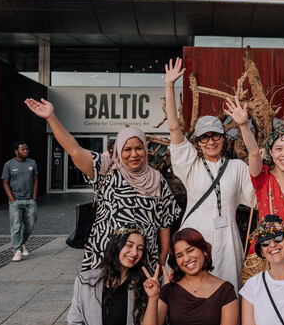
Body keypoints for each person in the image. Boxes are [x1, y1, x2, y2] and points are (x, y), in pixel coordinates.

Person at [25, 98, 180, 271]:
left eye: (139, 148)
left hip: (144, 258)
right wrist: (51, 117)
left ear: (145, 148)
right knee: (102, 296)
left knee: (141, 298)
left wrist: (163, 254)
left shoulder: (156, 179)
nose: (134, 154)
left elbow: (164, 222)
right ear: (119, 151)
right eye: (127, 149)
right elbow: (74, 150)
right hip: (104, 256)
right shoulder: (107, 168)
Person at [164, 59, 253, 292]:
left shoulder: (236, 167)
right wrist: (169, 86)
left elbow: (256, 196)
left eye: (216, 136)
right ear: (198, 142)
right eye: (204, 137)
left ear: (224, 138)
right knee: (193, 291)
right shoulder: (190, 165)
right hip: (195, 237)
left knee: (228, 290)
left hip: (228, 242)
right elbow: (174, 128)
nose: (210, 141)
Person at [226, 95, 284, 269]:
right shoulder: (262, 177)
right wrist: (243, 125)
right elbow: (254, 153)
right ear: (270, 152)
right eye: (278, 149)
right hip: (265, 251)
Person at [2, 141, 38, 262]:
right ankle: (17, 250)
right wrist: (11, 198)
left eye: (26, 149)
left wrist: (34, 195)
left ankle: (22, 243)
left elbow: (35, 179)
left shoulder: (32, 163)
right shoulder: (9, 164)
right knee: (16, 226)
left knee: (30, 224)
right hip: (16, 200)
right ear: (16, 151)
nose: (25, 151)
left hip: (30, 200)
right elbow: (5, 182)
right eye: (22, 149)